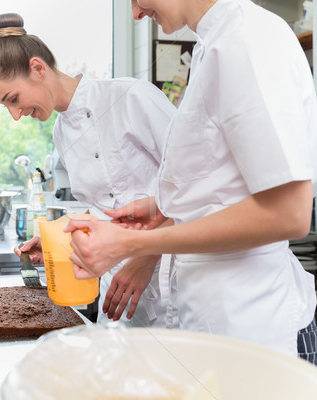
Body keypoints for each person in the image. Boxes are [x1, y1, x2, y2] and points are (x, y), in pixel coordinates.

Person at [65, 0, 317, 363]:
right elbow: (227, 184)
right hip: (218, 331)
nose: (135, 14)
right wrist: (163, 208)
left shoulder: (244, 40)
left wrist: (134, 245)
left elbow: (287, 214)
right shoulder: (212, 45)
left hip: (259, 333)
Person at [0, 13, 177, 325]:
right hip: (117, 291)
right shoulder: (61, 132)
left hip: (172, 279)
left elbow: (196, 188)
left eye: (13, 99)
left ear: (38, 68)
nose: (15, 115)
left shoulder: (130, 96)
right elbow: (104, 212)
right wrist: (62, 240)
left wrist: (146, 256)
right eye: (6, 107)